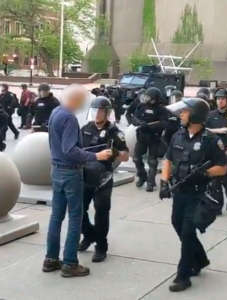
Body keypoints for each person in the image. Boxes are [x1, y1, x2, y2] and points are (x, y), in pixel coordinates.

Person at [43, 84, 113, 278]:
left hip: (56, 170)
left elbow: (57, 145)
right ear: (74, 100)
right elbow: (70, 150)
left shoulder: (56, 112)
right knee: (75, 217)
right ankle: (70, 262)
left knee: (56, 216)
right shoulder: (69, 118)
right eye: (82, 101)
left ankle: (50, 258)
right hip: (70, 172)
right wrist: (96, 156)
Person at [160, 98, 227, 292]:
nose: (181, 115)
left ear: (195, 115)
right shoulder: (177, 136)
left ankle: (183, 275)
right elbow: (168, 159)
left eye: (185, 112)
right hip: (180, 191)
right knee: (177, 224)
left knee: (188, 232)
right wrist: (164, 182)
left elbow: (222, 168)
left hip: (199, 194)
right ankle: (200, 259)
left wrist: (205, 172)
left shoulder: (211, 140)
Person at [78, 96, 129, 262]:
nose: (97, 114)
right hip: (85, 176)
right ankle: (89, 234)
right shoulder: (85, 128)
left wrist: (114, 153)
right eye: (95, 110)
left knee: (101, 211)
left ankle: (101, 245)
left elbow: (126, 156)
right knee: (78, 210)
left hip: (103, 178)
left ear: (107, 113)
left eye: (101, 111)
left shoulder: (115, 132)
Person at [126, 87, 176, 192]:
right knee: (136, 158)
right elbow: (134, 117)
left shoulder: (161, 109)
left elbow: (164, 123)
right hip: (141, 136)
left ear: (154, 98)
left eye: (149, 97)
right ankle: (142, 176)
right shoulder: (141, 106)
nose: (146, 98)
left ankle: (151, 181)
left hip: (154, 137)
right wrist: (138, 123)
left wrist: (150, 127)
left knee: (152, 161)